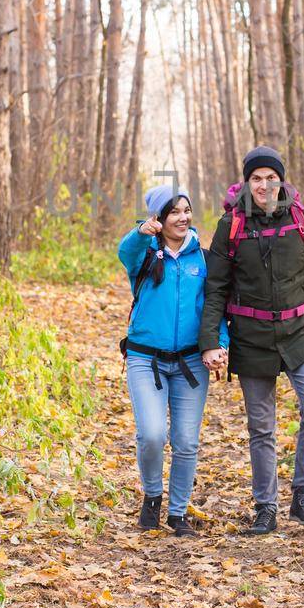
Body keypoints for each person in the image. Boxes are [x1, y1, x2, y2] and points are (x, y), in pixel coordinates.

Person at [199, 146, 304, 535]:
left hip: (301, 330)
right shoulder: (231, 225)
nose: (265, 185)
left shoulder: (301, 218)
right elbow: (216, 288)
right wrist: (209, 341)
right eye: (257, 178)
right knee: (261, 426)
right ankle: (265, 507)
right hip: (251, 336)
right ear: (247, 183)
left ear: (281, 181)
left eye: (272, 177)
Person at [118, 184, 225, 536]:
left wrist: (219, 344)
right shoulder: (144, 253)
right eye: (174, 212)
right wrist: (140, 232)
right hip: (144, 359)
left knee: (186, 441)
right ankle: (152, 495)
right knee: (151, 434)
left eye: (186, 210)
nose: (182, 217)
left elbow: (216, 309)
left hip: (191, 363)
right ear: (159, 219)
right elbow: (124, 251)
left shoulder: (204, 259)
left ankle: (178, 513)